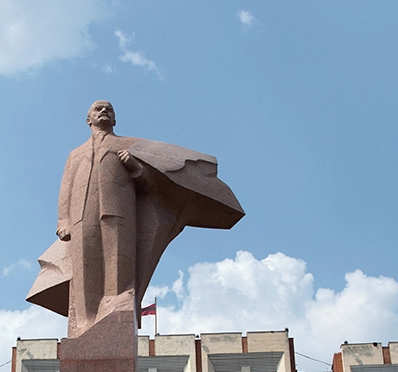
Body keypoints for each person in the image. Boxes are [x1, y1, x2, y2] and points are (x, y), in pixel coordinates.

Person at [27, 101, 243, 339]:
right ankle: (85, 321)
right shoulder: (75, 154)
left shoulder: (128, 145)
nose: (104, 111)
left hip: (118, 210)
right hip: (81, 215)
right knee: (84, 264)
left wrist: (136, 167)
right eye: (98, 109)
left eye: (109, 109)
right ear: (88, 120)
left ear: (115, 120)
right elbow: (66, 190)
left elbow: (152, 184)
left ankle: (116, 305)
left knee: (119, 260)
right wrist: (63, 220)